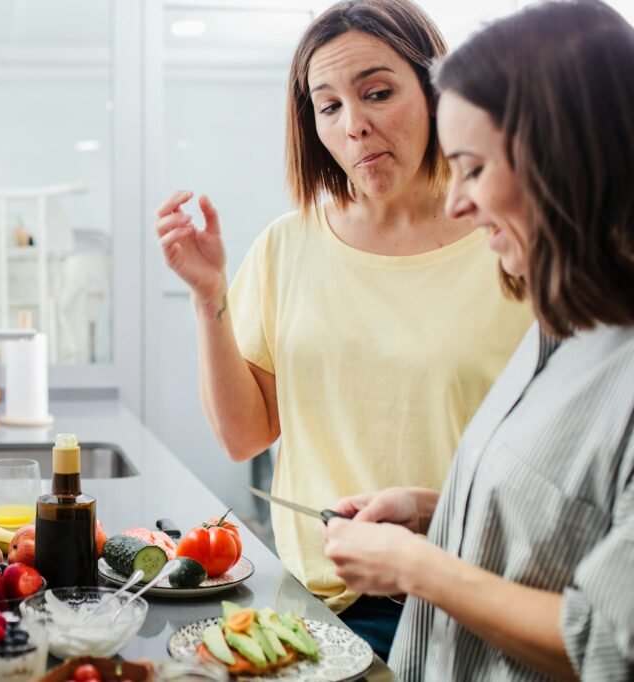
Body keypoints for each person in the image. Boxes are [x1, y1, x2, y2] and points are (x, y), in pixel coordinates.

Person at [154, 0, 531, 660]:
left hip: (473, 602)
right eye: (327, 106)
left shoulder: (510, 241)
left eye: (378, 92)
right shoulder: (287, 243)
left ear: (438, 91)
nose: (354, 125)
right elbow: (245, 435)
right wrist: (208, 294)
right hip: (316, 607)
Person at [322, 1, 634, 678]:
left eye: (472, 167)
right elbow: (565, 528)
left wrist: (418, 569)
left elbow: (607, 643)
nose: (458, 204)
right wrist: (434, 513)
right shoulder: (565, 322)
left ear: (563, 158)